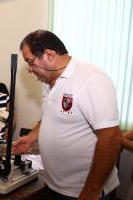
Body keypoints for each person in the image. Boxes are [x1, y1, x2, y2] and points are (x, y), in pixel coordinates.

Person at [13, 29, 122, 199]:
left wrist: (91, 192)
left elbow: (111, 138)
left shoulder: (91, 80)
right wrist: (33, 136)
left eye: (30, 62)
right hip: (55, 186)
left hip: (83, 191)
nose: (29, 69)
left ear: (49, 54)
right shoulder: (49, 80)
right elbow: (51, 116)